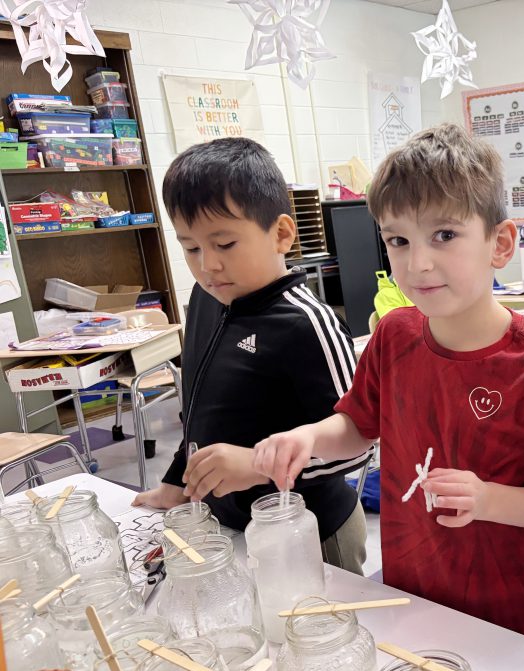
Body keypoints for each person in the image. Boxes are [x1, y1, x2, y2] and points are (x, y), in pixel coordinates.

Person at [252, 123, 524, 645]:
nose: (417, 263)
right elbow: (357, 426)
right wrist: (310, 437)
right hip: (412, 600)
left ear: (499, 243)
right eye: (398, 240)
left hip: (513, 623)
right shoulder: (394, 335)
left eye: (444, 235)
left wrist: (488, 500)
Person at [133, 137, 369, 574]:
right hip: (236, 528)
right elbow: (203, 411)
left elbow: (358, 447)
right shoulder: (205, 302)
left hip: (312, 535)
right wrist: (174, 483)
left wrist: (259, 467)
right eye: (191, 247)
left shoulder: (306, 322)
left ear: (280, 234)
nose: (208, 266)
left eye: (224, 245)